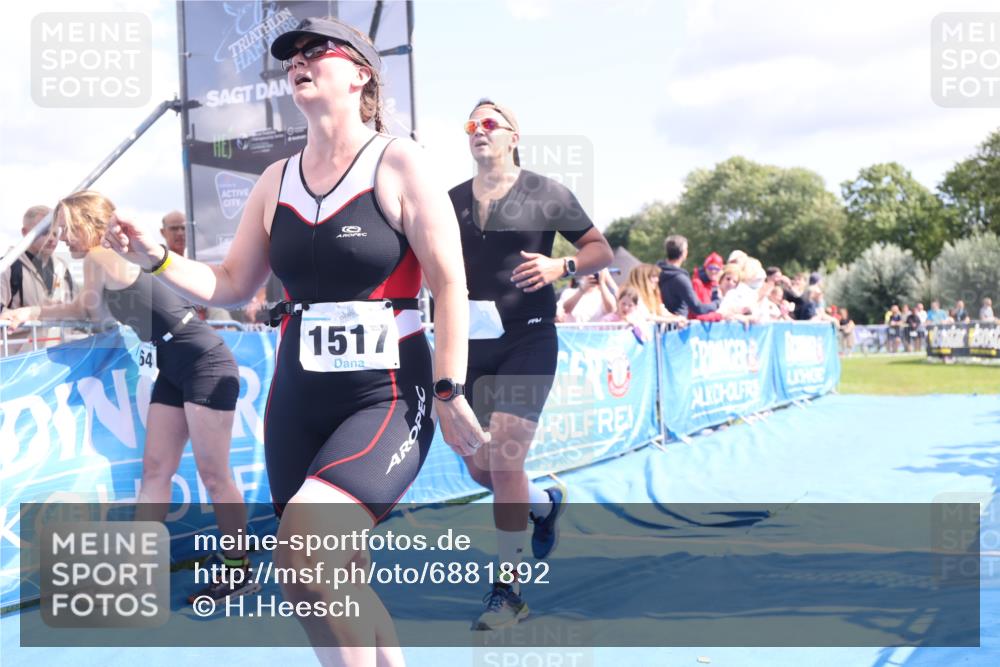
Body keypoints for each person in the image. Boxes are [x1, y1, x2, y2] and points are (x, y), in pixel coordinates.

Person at [105, 17, 489, 665]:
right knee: (338, 573)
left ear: (361, 73)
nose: (299, 62)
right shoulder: (275, 179)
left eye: (318, 52)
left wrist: (449, 388)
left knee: (303, 557)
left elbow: (450, 282)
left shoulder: (399, 160)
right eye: (292, 57)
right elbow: (230, 283)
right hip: (297, 400)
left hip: (387, 394)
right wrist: (155, 258)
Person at [0, 191, 253, 602]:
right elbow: (90, 309)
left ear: (86, 224)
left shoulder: (100, 258)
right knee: (155, 470)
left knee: (214, 475)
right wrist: (29, 314)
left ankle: (238, 570)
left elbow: (87, 311)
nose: (61, 237)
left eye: (65, 227)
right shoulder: (104, 260)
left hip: (204, 361)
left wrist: (30, 313)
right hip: (174, 365)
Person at [450, 97, 613, 630]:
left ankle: (509, 592)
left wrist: (560, 264)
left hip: (530, 340)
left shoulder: (545, 192)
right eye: (472, 124)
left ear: (513, 135)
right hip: (472, 344)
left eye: (490, 123)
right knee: (481, 465)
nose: (480, 130)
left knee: (507, 458)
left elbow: (599, 249)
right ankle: (545, 502)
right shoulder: (449, 201)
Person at [1, 205, 77, 353]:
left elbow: (75, 309)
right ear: (25, 233)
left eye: (55, 233)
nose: (52, 239)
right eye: (44, 232)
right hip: (16, 364)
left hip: (56, 363)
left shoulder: (63, 268)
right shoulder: (7, 266)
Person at [658, 235, 719, 319]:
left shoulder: (655, 273)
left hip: (661, 324)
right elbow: (697, 307)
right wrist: (716, 303)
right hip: (678, 325)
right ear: (684, 253)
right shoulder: (681, 279)